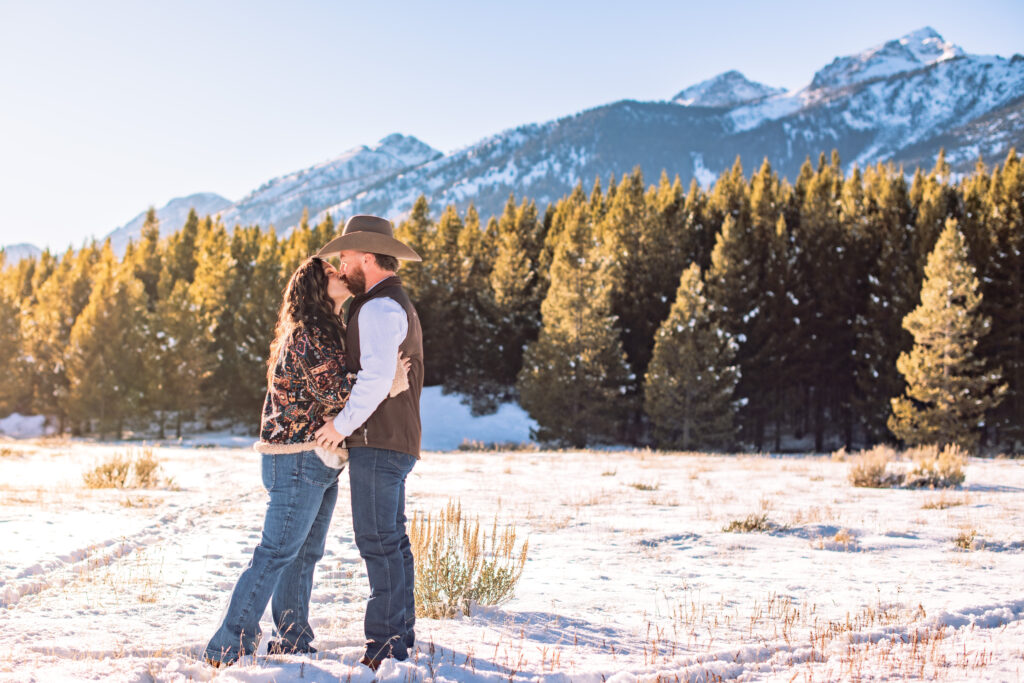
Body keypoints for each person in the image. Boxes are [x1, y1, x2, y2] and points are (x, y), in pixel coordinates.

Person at [204, 256, 408, 667]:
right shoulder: (311, 335)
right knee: (276, 552)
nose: (340, 274)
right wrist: (389, 383)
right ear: (317, 287)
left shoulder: (324, 331)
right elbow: (338, 396)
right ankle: (229, 644)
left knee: (302, 555)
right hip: (297, 460)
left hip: (315, 460)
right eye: (331, 273)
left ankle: (293, 638)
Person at [314, 215, 424, 671]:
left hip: (377, 440)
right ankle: (401, 634)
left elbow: (376, 379)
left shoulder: (379, 308)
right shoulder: (390, 302)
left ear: (365, 256)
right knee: (392, 541)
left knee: (378, 541)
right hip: (393, 440)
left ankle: (385, 645)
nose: (341, 267)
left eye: (344, 258)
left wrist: (340, 426)